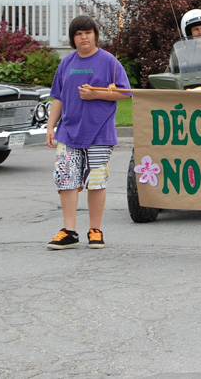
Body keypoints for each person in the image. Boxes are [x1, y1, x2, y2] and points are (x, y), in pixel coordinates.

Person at [46, 15, 132, 250]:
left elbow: (125, 92)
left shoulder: (109, 61)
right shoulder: (66, 63)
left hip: (99, 133)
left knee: (95, 181)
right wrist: (51, 126)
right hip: (68, 133)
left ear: (95, 35)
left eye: (88, 32)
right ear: (73, 39)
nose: (83, 37)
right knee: (66, 180)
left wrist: (97, 94)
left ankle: (95, 230)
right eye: (78, 34)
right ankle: (69, 231)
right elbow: (58, 97)